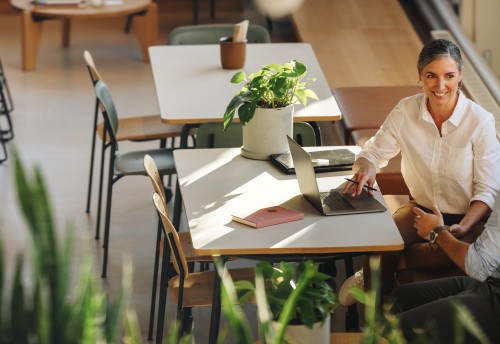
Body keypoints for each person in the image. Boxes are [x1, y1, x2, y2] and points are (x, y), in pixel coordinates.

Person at [338, 38, 500, 306]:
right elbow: (374, 152)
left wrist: (462, 226)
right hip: (418, 211)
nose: (440, 86)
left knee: (433, 252)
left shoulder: (480, 121)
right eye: (431, 76)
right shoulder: (405, 110)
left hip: (467, 218)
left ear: (460, 75)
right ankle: (376, 317)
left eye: (449, 76)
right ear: (420, 76)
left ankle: (395, 262)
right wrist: (367, 168)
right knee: (380, 242)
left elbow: (487, 189)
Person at [391, 190, 500, 343]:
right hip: (492, 280)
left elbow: (480, 265)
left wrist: (437, 232)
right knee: (401, 297)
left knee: (395, 328)